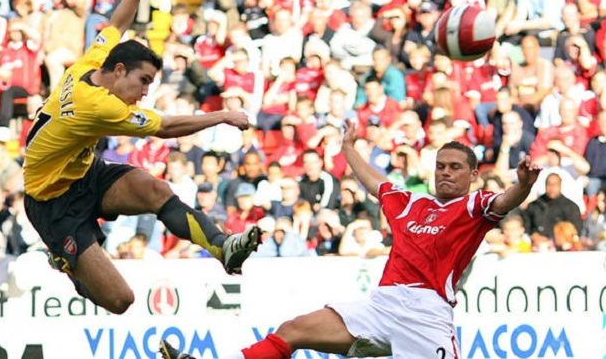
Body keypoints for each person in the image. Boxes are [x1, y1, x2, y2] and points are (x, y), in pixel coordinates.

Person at [160, 119, 543, 359]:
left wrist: (523, 183)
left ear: (473, 175)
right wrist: (348, 149)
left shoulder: (474, 207)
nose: (445, 173)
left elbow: (507, 200)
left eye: (455, 168)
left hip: (426, 314)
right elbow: (375, 182)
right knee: (292, 330)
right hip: (381, 305)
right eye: (440, 166)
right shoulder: (410, 203)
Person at [22, 0, 260, 316]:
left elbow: (117, 20)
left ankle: (222, 246)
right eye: (143, 81)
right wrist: (222, 115)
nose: (145, 92)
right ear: (119, 71)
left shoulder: (92, 62)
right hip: (51, 203)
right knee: (121, 301)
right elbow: (164, 128)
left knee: (154, 188)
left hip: (84, 174)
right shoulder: (98, 106)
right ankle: (66, 261)